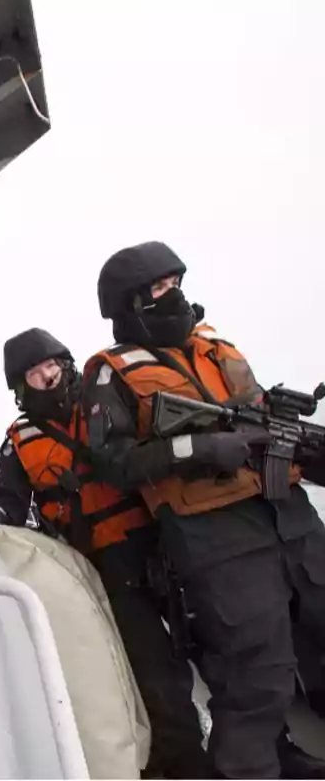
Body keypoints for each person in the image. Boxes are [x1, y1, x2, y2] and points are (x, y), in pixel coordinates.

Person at [83, 240, 325, 779]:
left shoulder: (217, 346)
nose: (175, 297)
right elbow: (113, 464)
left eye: (175, 285)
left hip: (290, 515)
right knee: (256, 678)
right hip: (217, 538)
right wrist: (195, 450)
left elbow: (259, 411)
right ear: (130, 305)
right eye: (159, 290)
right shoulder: (110, 374)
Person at [0, 327, 211, 778]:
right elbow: (9, 498)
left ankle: (259, 749)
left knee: (221, 649)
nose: (48, 376)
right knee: (156, 676)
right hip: (110, 568)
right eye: (34, 372)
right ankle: (185, 766)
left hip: (166, 547)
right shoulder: (21, 441)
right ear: (20, 387)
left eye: (52, 364)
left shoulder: (105, 402)